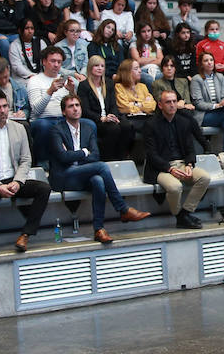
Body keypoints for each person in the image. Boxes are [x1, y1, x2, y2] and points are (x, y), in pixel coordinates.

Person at [45, 94, 151, 244]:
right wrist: (83, 152)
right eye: (70, 106)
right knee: (101, 167)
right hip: (64, 176)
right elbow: (63, 158)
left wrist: (74, 155)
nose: (75, 109)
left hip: (83, 173)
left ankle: (99, 229)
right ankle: (122, 209)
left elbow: (95, 155)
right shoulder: (56, 130)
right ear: (63, 112)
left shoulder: (88, 127)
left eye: (77, 105)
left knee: (98, 181)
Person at [0, 89, 51, 252]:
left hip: (13, 178)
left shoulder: (19, 128)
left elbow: (26, 159)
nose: (2, 111)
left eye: (5, 106)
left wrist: (18, 181)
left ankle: (26, 234)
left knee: (44, 189)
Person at [143, 89, 213, 229]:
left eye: (174, 101)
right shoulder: (151, 124)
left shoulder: (183, 122)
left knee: (204, 177)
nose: (172, 105)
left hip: (181, 163)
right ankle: (179, 216)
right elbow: (151, 154)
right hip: (160, 168)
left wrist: (189, 164)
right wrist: (169, 169)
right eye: (168, 102)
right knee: (175, 187)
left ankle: (185, 213)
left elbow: (190, 148)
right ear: (160, 105)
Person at [193, 19, 224, 93]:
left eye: (217, 29)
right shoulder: (201, 44)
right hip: (207, 71)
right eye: (212, 29)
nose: (215, 31)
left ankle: (223, 95)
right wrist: (212, 66)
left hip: (222, 71)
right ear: (206, 31)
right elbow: (197, 60)